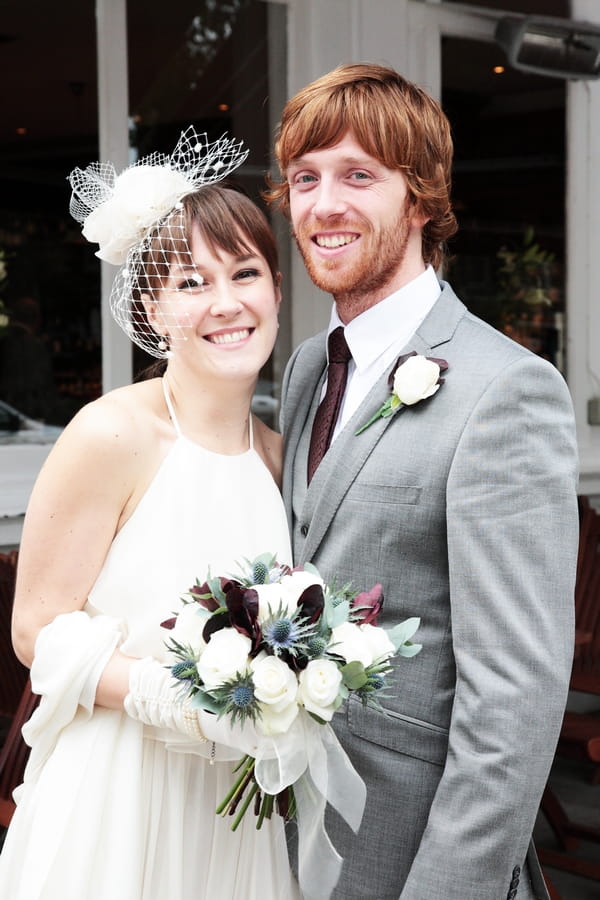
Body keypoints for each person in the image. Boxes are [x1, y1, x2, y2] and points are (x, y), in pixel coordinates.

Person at [267, 63, 579, 900]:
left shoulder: (504, 391)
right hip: (292, 834)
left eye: (358, 175)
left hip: (416, 855)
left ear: (421, 197)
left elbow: (511, 707)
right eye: (305, 178)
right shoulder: (305, 371)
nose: (323, 204)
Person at [0, 128, 299, 899]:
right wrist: (174, 697)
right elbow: (35, 627)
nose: (226, 303)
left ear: (274, 289)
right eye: (192, 283)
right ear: (152, 308)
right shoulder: (113, 432)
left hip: (236, 810)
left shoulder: (279, 456)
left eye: (245, 273)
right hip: (119, 793)